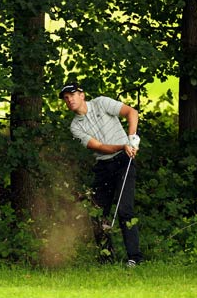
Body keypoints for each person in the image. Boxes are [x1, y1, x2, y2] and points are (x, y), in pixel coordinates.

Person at [59, 82, 143, 266]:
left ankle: (134, 258)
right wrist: (124, 145)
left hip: (124, 161)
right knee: (97, 213)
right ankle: (106, 259)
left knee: (124, 209)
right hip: (104, 166)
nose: (69, 99)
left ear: (82, 95)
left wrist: (131, 139)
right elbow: (100, 148)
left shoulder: (101, 103)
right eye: (66, 98)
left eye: (72, 94)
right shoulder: (75, 127)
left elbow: (132, 112)